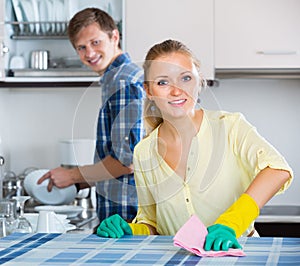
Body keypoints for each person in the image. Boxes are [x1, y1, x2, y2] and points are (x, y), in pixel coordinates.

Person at [96, 39, 293, 251]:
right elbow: (152, 224)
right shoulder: (144, 152)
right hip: (178, 259)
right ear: (148, 91)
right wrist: (131, 230)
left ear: (198, 82)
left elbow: (277, 170)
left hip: (238, 255)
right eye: (163, 82)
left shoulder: (230, 127)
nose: (176, 91)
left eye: (186, 78)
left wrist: (232, 223)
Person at [38, 8, 145, 222]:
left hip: (128, 216)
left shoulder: (123, 83)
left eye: (95, 42)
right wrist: (76, 181)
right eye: (81, 47)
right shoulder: (115, 80)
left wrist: (72, 175)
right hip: (122, 212)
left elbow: (128, 162)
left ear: (114, 36)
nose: (89, 53)